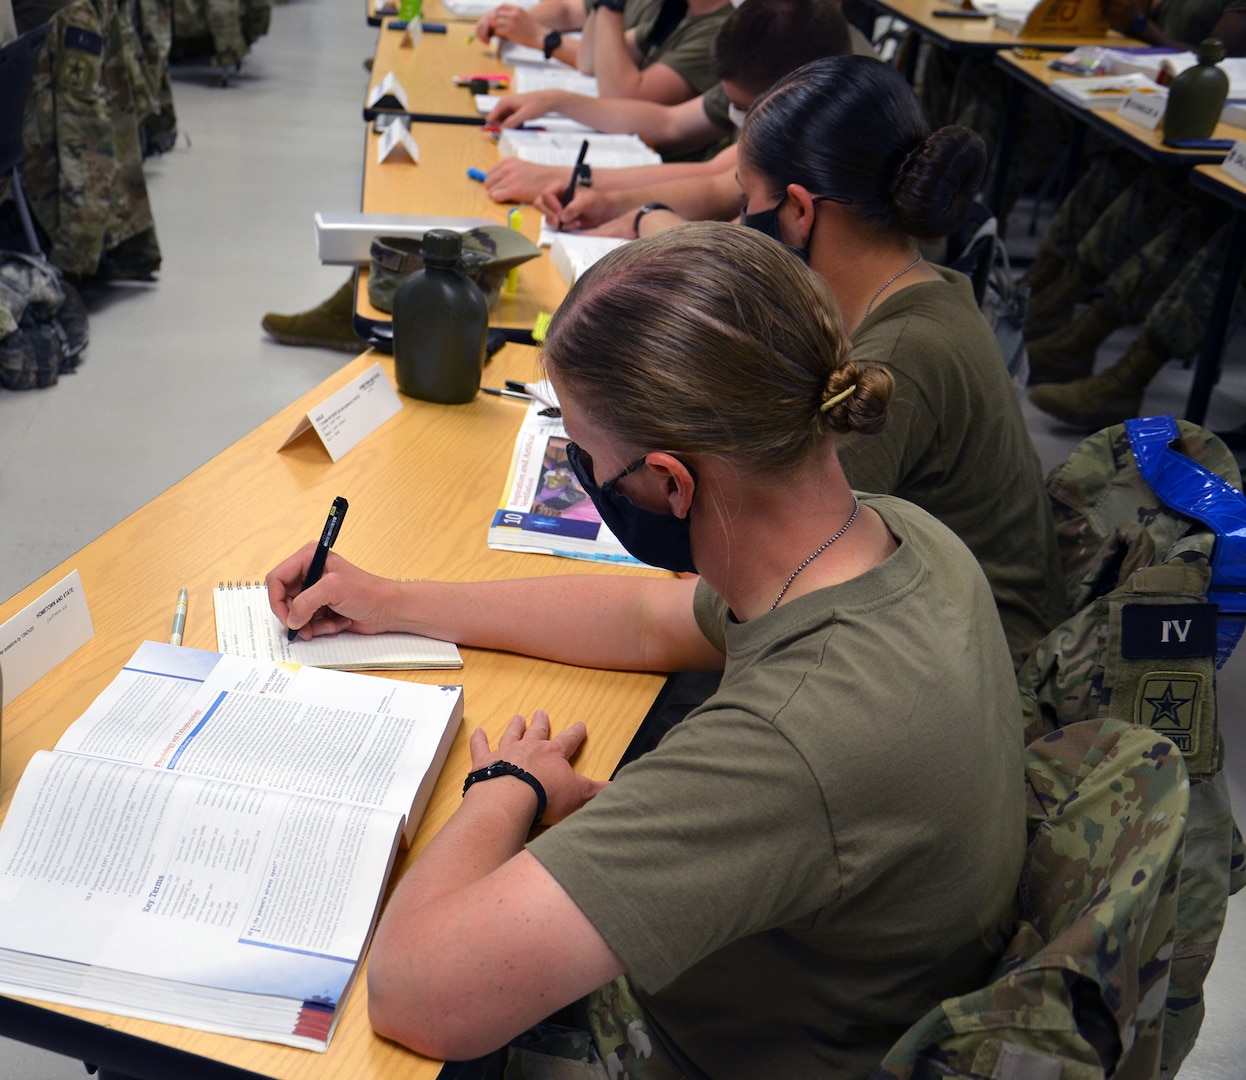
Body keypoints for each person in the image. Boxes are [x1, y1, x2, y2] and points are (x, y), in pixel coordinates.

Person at [266, 222, 1026, 1079]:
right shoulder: (897, 539)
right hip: (825, 975)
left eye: (589, 458)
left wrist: (503, 789)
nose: (586, 475)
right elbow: (644, 615)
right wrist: (394, 602)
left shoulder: (788, 740)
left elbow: (415, 992)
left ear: (670, 482)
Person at [602, 56, 1063, 669]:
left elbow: (741, 595)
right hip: (948, 635)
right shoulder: (920, 289)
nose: (743, 222)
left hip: (978, 673)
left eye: (748, 200)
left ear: (798, 211)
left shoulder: (897, 362)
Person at [482, 0, 861, 217]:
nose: (737, 115)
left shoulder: (825, 108)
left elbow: (718, 184)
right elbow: (671, 122)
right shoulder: (763, 53)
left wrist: (580, 184)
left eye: (743, 108)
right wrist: (555, 100)